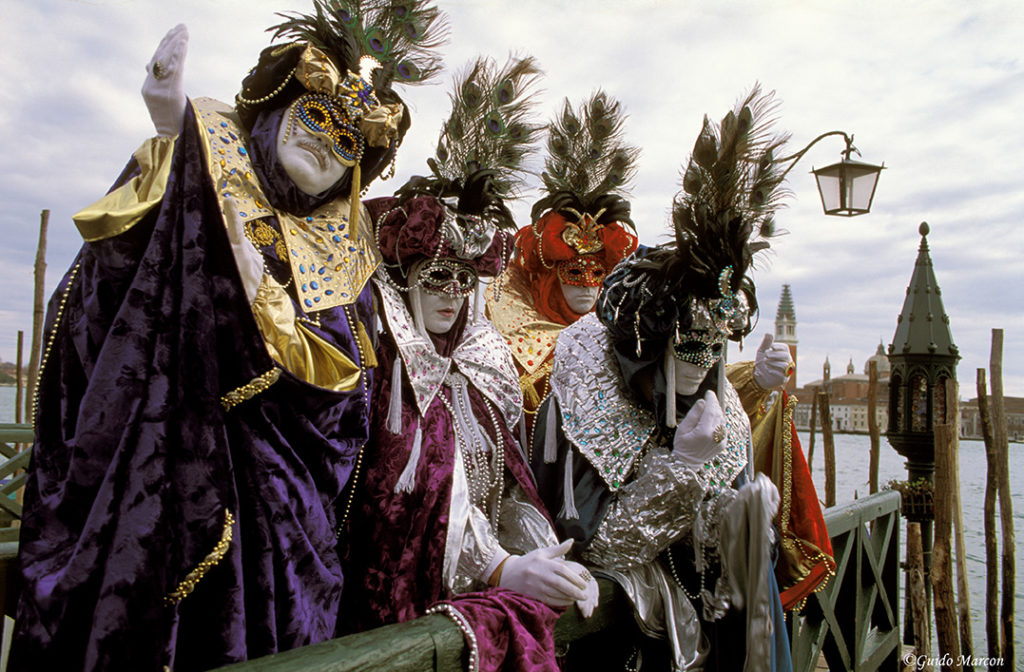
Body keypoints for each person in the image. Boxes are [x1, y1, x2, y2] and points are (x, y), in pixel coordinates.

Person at [10, 2, 446, 669]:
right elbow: (114, 298)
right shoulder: (204, 170)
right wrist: (171, 145)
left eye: (348, 143)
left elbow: (344, 398)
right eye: (317, 116)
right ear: (280, 101)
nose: (326, 143)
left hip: (286, 533)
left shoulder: (346, 261)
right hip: (155, 486)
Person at [531, 87, 805, 672]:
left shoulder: (718, 405)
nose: (702, 364)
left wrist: (746, 520)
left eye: (714, 347)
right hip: (621, 641)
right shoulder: (581, 401)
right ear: (652, 342)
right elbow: (601, 549)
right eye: (688, 344)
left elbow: (720, 557)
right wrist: (679, 468)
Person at [342, 56, 597, 672]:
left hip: (479, 594)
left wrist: (546, 554)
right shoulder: (387, 375)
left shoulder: (483, 368)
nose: (452, 292)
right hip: (405, 618)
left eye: (463, 279)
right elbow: (401, 503)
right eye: (436, 276)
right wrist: (503, 568)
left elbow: (510, 483)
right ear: (405, 280)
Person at [487, 91, 639, 444]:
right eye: (574, 272)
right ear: (549, 278)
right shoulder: (510, 341)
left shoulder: (622, 343)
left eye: (597, 275)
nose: (587, 285)